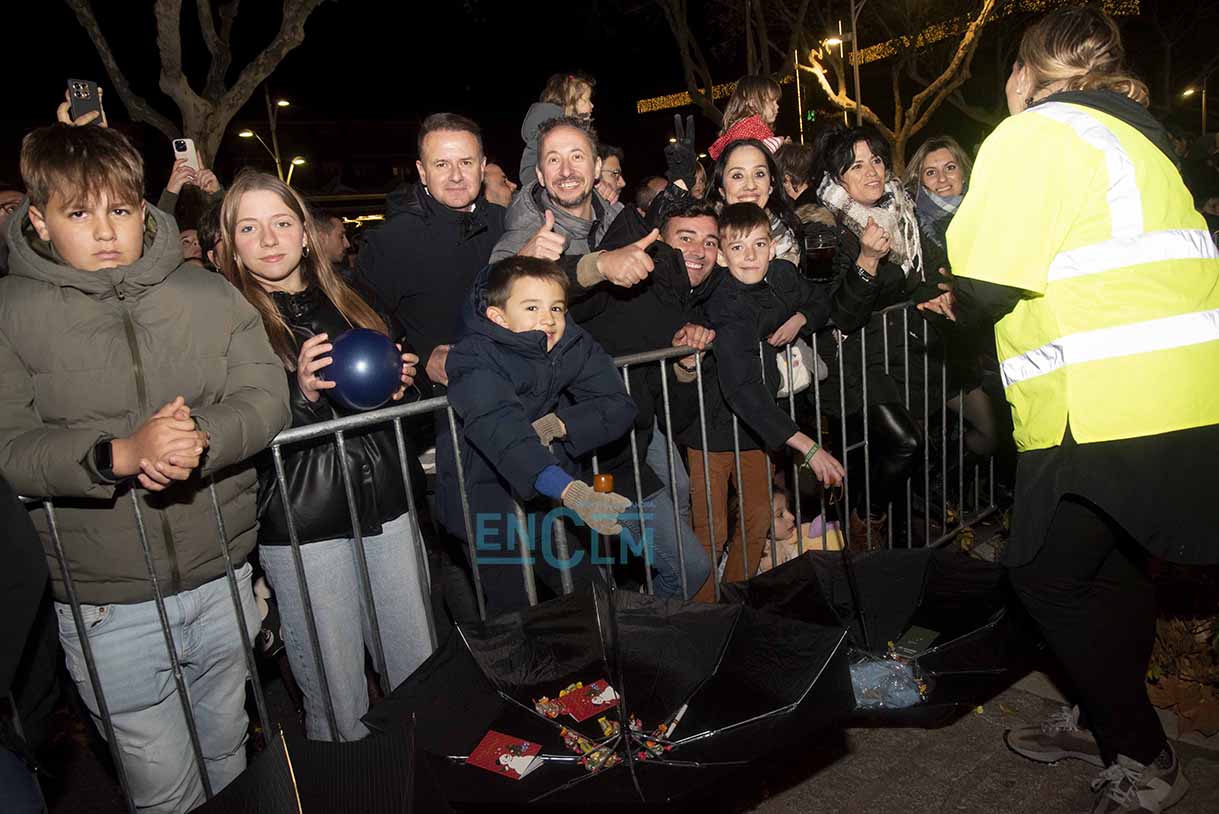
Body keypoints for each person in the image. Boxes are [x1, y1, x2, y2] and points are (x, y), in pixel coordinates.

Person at [940, 7, 1219, 811]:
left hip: (1097, 400)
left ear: (1023, 74)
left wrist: (951, 297)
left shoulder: (1033, 131)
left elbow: (986, 281)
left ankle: (1141, 752)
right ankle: (1104, 718)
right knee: (1111, 565)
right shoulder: (1138, 140)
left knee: (1042, 576)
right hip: (1181, 391)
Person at [0, 122, 290, 813]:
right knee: (162, 788)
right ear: (39, 221)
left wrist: (199, 438)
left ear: (144, 210)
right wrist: (118, 455)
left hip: (221, 576)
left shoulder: (207, 292)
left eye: (121, 210)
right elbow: (9, 445)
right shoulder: (9, 313)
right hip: (105, 604)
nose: (105, 231)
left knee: (229, 755)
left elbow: (265, 395)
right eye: (79, 213)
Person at [216, 169, 432, 742]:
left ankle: (423, 777)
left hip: (388, 504)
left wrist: (403, 385)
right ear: (230, 243)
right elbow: (227, 424)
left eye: (282, 222)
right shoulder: (225, 323)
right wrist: (300, 396)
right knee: (337, 694)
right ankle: (347, 781)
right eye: (249, 228)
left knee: (416, 669)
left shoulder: (352, 298)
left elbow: (401, 397)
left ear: (306, 233)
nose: (269, 239)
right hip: (303, 523)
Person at [435, 256, 637, 616]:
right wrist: (573, 493)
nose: (548, 318)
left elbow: (617, 404)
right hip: (485, 496)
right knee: (515, 613)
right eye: (532, 307)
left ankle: (598, 653)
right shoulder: (473, 356)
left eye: (556, 307)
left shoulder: (569, 342)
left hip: (548, 494)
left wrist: (560, 424)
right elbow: (502, 430)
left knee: (592, 596)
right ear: (498, 316)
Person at [677, 203, 844, 602]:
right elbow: (742, 388)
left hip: (756, 429)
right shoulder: (724, 301)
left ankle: (735, 603)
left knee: (756, 521)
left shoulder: (782, 276)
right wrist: (807, 446)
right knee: (712, 531)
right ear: (722, 256)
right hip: (712, 428)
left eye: (759, 244)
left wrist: (800, 318)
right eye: (737, 247)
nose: (750, 256)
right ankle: (701, 615)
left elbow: (822, 300)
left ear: (772, 247)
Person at [815, 125, 950, 548]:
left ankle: (900, 542)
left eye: (875, 160)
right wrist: (868, 261)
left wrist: (937, 293)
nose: (872, 172)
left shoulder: (901, 211)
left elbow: (917, 278)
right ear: (838, 178)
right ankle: (865, 521)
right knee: (904, 444)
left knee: (910, 450)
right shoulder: (828, 225)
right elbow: (841, 314)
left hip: (899, 353)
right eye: (856, 166)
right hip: (856, 363)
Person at [358, 112, 505, 389]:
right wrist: (422, 358)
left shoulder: (506, 224)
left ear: (482, 167)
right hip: (434, 401)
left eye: (466, 162)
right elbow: (362, 322)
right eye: (441, 164)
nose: (456, 176)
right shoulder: (390, 242)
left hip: (514, 388)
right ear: (422, 172)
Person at [903, 135, 1009, 462]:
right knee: (917, 444)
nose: (943, 178)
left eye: (950, 168)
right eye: (931, 172)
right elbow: (912, 282)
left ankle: (952, 474)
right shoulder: (910, 224)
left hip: (977, 347)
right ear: (919, 180)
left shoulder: (988, 215)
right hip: (927, 352)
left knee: (993, 434)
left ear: (964, 171)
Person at [710, 139, 805, 266]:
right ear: (721, 189)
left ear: (771, 184)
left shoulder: (793, 231)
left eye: (759, 174)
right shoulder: (705, 240)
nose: (750, 185)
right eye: (737, 176)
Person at [518, 72, 595, 185]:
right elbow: (528, 171)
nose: (592, 105)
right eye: (587, 100)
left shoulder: (576, 133)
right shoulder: (547, 131)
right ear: (571, 101)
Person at [707, 75, 785, 160]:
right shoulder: (748, 129)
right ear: (752, 102)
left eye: (776, 101)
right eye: (772, 101)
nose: (777, 106)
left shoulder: (752, 128)